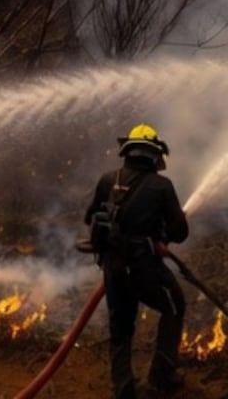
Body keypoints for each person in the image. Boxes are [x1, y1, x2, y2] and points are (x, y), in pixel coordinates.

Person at [84, 123, 189, 399]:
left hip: (114, 269)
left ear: (128, 151)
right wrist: (161, 235)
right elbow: (180, 232)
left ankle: (123, 389)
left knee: (120, 328)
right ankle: (161, 378)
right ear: (154, 155)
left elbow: (90, 217)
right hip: (146, 270)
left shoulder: (109, 179)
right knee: (174, 306)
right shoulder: (162, 186)